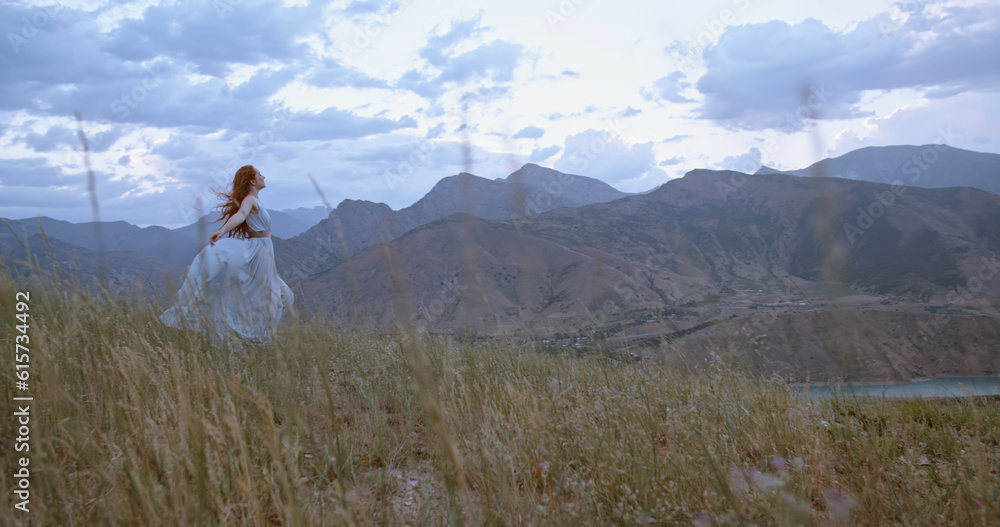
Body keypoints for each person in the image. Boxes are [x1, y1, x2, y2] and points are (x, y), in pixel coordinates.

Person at [160, 165, 294, 344]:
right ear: (253, 181)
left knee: (284, 296)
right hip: (258, 252)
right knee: (276, 296)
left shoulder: (256, 200)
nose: (264, 176)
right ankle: (254, 337)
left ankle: (257, 334)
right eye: (260, 174)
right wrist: (222, 231)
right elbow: (240, 215)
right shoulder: (249, 200)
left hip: (264, 251)